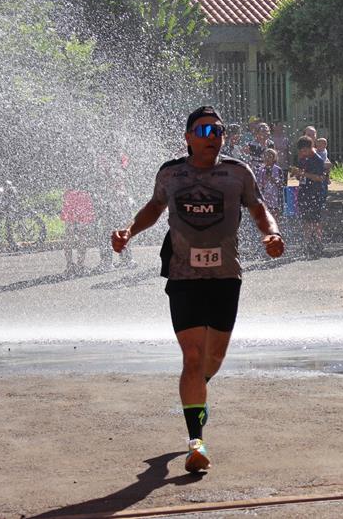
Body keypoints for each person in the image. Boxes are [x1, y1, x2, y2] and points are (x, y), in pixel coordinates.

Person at [110, 106, 285, 473]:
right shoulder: (171, 173)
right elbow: (155, 207)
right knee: (192, 356)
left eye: (218, 131)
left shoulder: (237, 173)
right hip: (183, 275)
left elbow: (258, 207)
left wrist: (271, 232)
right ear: (188, 137)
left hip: (226, 276)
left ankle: (196, 390)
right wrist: (128, 232)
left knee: (213, 359)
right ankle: (196, 442)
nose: (212, 138)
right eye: (204, 132)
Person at [291, 136, 327, 255]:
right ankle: (307, 243)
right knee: (306, 219)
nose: (302, 153)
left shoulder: (318, 160)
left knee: (316, 219)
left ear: (311, 147)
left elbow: (320, 177)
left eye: (304, 150)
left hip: (315, 192)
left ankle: (319, 242)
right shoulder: (303, 159)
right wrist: (297, 174)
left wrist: (303, 174)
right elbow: (302, 175)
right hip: (304, 191)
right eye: (300, 151)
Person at [60, 186, 95, 274]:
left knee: (69, 234)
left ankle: (69, 265)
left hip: (70, 195)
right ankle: (80, 265)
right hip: (83, 196)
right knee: (82, 234)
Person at [256, 148, 284, 217]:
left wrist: (272, 179)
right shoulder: (260, 170)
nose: (267, 158)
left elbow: (281, 185)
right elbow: (257, 185)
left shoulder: (278, 170)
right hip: (264, 197)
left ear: (274, 158)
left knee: (275, 218)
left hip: (275, 198)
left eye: (270, 157)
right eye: (265, 156)